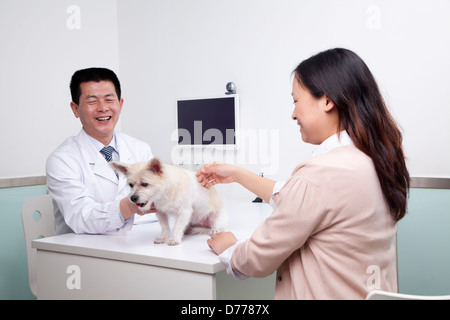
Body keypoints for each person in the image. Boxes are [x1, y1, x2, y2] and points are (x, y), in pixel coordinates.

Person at [196, 48, 410, 299]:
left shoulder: (321, 173)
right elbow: (300, 200)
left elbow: (257, 259)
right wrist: (237, 174)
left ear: (327, 101)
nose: (293, 113)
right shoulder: (376, 160)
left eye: (296, 101)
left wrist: (230, 250)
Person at [46, 67, 156, 235]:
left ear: (120, 104)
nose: (103, 108)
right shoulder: (62, 160)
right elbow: (81, 218)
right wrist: (129, 206)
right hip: (85, 254)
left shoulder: (140, 149)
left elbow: (156, 207)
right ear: (75, 109)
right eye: (92, 101)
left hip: (138, 245)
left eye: (109, 99)